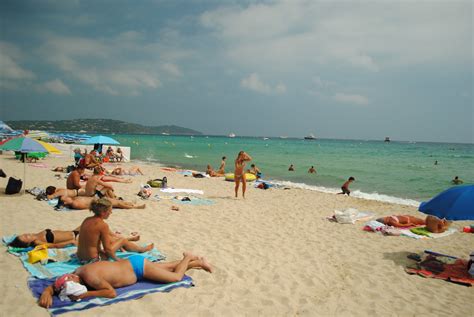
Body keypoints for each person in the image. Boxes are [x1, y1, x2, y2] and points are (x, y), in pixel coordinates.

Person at [38, 251, 212, 308]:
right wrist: (48, 290)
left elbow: (111, 293)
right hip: (134, 264)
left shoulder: (91, 278)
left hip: (138, 269)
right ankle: (198, 262)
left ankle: (188, 257)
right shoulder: (77, 272)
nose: (71, 286)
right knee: (167, 267)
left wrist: (85, 295)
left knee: (175, 276)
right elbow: (59, 283)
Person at [76, 198, 152, 263]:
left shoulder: (86, 219)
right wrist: (118, 260)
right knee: (122, 240)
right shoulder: (102, 225)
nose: (111, 213)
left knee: (113, 239)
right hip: (92, 260)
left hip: (80, 258)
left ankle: (139, 248)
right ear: (103, 212)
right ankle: (141, 249)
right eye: (110, 211)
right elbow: (108, 249)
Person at [8, 227, 81, 249]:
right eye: (26, 236)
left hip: (74, 232)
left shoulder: (36, 235)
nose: (27, 234)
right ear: (28, 243)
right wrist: (71, 242)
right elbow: (54, 246)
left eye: (24, 234)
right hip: (76, 237)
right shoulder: (37, 242)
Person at [60, 196, 146, 210]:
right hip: (98, 202)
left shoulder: (74, 199)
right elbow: (87, 206)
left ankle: (130, 203)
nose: (67, 197)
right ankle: (135, 207)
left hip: (97, 199)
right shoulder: (75, 204)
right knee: (118, 204)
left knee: (116, 201)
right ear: (65, 202)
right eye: (66, 198)